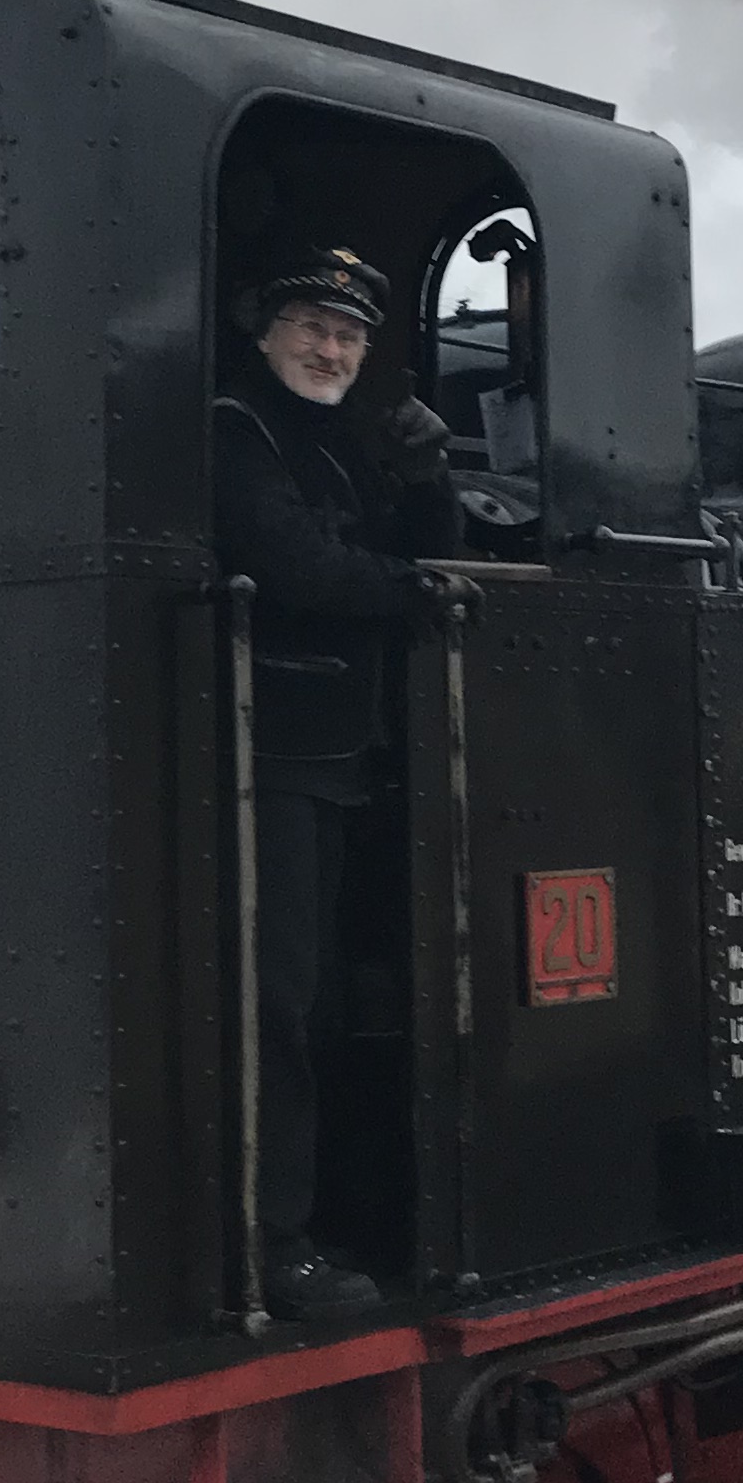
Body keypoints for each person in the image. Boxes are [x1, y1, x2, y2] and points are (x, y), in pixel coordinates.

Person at [213, 242, 461, 1325]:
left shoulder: (334, 446)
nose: (331, 349)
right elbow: (301, 566)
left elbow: (424, 546)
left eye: (351, 335)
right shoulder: (240, 433)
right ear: (265, 331)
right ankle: (274, 1247)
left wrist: (427, 477)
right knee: (280, 1007)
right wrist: (415, 589)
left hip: (335, 760)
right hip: (265, 758)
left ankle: (337, 1217)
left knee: (324, 1007)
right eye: (314, 327)